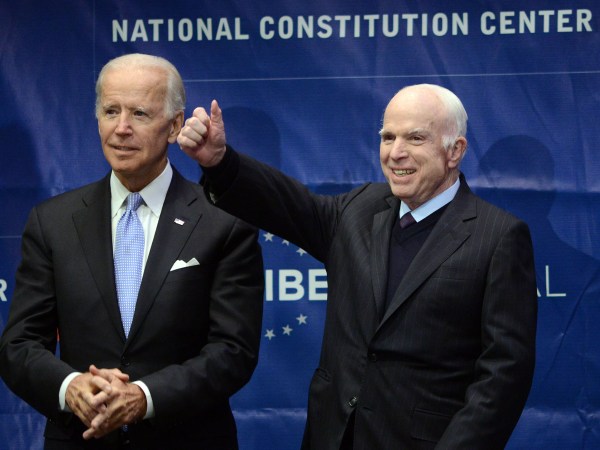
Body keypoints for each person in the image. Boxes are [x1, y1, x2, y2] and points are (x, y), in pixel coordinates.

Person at [177, 84, 538, 449]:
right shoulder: (361, 208)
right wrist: (220, 161)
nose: (396, 153)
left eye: (415, 138)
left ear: (455, 150)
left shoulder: (498, 237)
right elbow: (287, 204)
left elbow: (503, 376)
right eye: (388, 137)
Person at [0, 53, 264, 449]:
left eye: (139, 113)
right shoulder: (51, 222)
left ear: (174, 126)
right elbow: (18, 345)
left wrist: (144, 398)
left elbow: (233, 352)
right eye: (110, 111)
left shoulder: (223, 222)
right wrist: (70, 386)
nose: (121, 128)